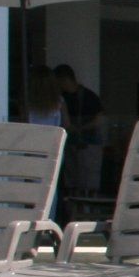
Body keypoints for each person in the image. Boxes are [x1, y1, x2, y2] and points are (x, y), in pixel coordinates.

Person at [54, 64, 105, 194]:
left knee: (88, 179)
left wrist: (78, 129)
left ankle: (89, 203)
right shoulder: (61, 98)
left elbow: (99, 120)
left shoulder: (89, 97)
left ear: (65, 79)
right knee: (71, 179)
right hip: (70, 144)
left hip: (89, 144)